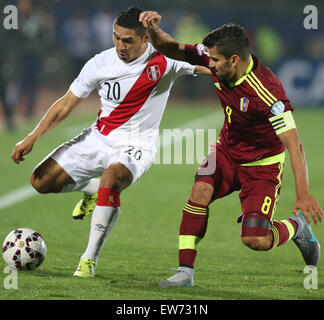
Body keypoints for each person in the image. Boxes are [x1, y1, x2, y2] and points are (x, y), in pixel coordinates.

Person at [10, 7, 210, 278]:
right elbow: (67, 103)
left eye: (128, 40)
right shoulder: (100, 63)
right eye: (116, 37)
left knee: (112, 177)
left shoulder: (166, 60)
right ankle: (92, 189)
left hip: (137, 145)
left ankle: (88, 260)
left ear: (145, 39)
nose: (120, 46)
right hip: (98, 137)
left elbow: (214, 65)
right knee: (40, 181)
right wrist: (32, 137)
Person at [139, 11, 323, 287]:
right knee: (199, 190)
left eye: (214, 61)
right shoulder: (215, 56)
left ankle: (296, 227)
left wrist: (304, 192)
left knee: (256, 240)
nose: (208, 64)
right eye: (209, 58)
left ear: (234, 60)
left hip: (262, 166)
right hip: (226, 151)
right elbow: (173, 48)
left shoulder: (267, 93)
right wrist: (152, 30)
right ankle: (184, 273)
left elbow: (293, 143)